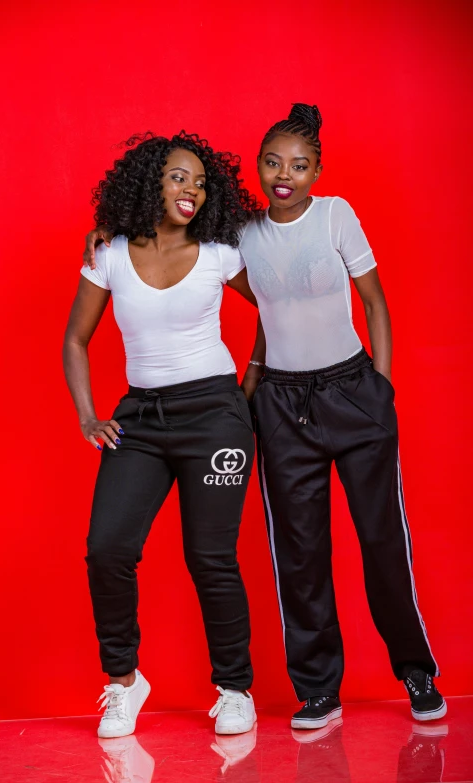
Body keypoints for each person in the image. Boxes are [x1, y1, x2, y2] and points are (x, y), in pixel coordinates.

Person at [239, 103, 446, 729]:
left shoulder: (336, 214)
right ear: (258, 164)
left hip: (352, 393)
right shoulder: (242, 230)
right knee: (299, 553)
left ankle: (415, 671)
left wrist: (379, 389)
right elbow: (170, 235)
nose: (285, 174)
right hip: (279, 402)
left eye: (299, 166)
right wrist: (104, 236)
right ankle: (319, 691)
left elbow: (375, 303)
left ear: (317, 170)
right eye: (273, 162)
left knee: (383, 541)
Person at [63, 130, 260, 739]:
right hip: (141, 420)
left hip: (215, 415)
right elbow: (75, 340)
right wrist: (90, 415)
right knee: (108, 549)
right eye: (179, 177)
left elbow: (276, 311)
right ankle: (123, 683)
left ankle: (234, 689)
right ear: (150, 181)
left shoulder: (221, 252)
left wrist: (244, 391)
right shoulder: (110, 252)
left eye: (200, 182)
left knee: (210, 558)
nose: (191, 190)